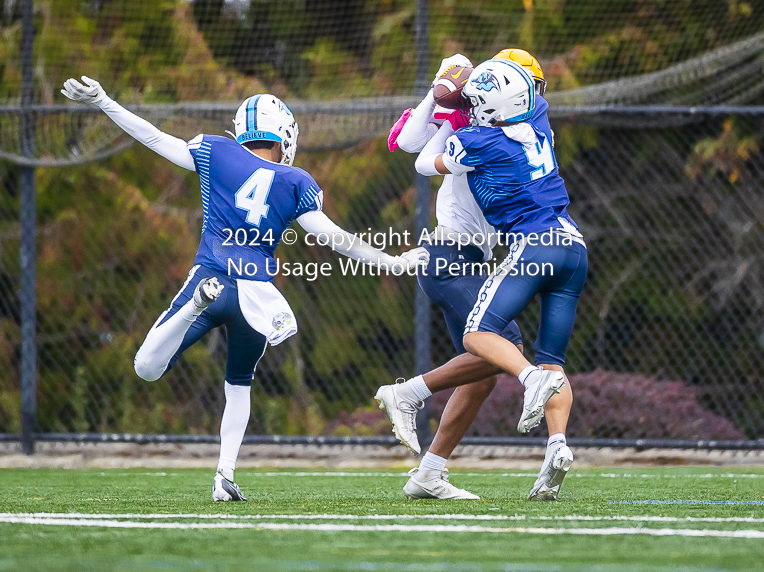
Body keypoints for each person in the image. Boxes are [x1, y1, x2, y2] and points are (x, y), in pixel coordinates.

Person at [61, 76, 429, 502]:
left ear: (243, 131)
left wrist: (105, 100)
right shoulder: (295, 180)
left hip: (211, 276)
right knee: (239, 384)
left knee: (146, 366)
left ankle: (193, 307)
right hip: (256, 295)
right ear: (283, 136)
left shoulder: (214, 151)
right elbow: (333, 237)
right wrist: (392, 260)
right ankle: (225, 475)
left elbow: (154, 138)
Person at [376, 50, 565, 501]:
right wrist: (439, 93)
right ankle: (406, 394)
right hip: (448, 254)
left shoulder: (502, 128)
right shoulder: (475, 128)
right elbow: (406, 145)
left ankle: (428, 474)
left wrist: (454, 99)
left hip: (467, 257)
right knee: (508, 346)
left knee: (481, 374)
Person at [430, 58, 588, 501]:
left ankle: (526, 378)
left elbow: (425, 162)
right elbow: (518, 90)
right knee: (553, 361)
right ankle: (556, 445)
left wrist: (446, 99)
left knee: (479, 334)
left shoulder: (482, 141)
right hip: (573, 245)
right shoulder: (538, 119)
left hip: (534, 243)